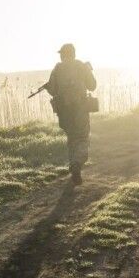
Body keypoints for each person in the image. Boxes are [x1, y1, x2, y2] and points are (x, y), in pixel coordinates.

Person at [46, 43, 97, 185]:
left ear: (64, 54)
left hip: (64, 111)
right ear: (73, 54)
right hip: (80, 109)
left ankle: (73, 166)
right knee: (82, 138)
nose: (61, 56)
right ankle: (76, 164)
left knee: (72, 139)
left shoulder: (57, 68)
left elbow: (53, 90)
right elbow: (92, 85)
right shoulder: (81, 66)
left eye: (61, 53)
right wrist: (88, 70)